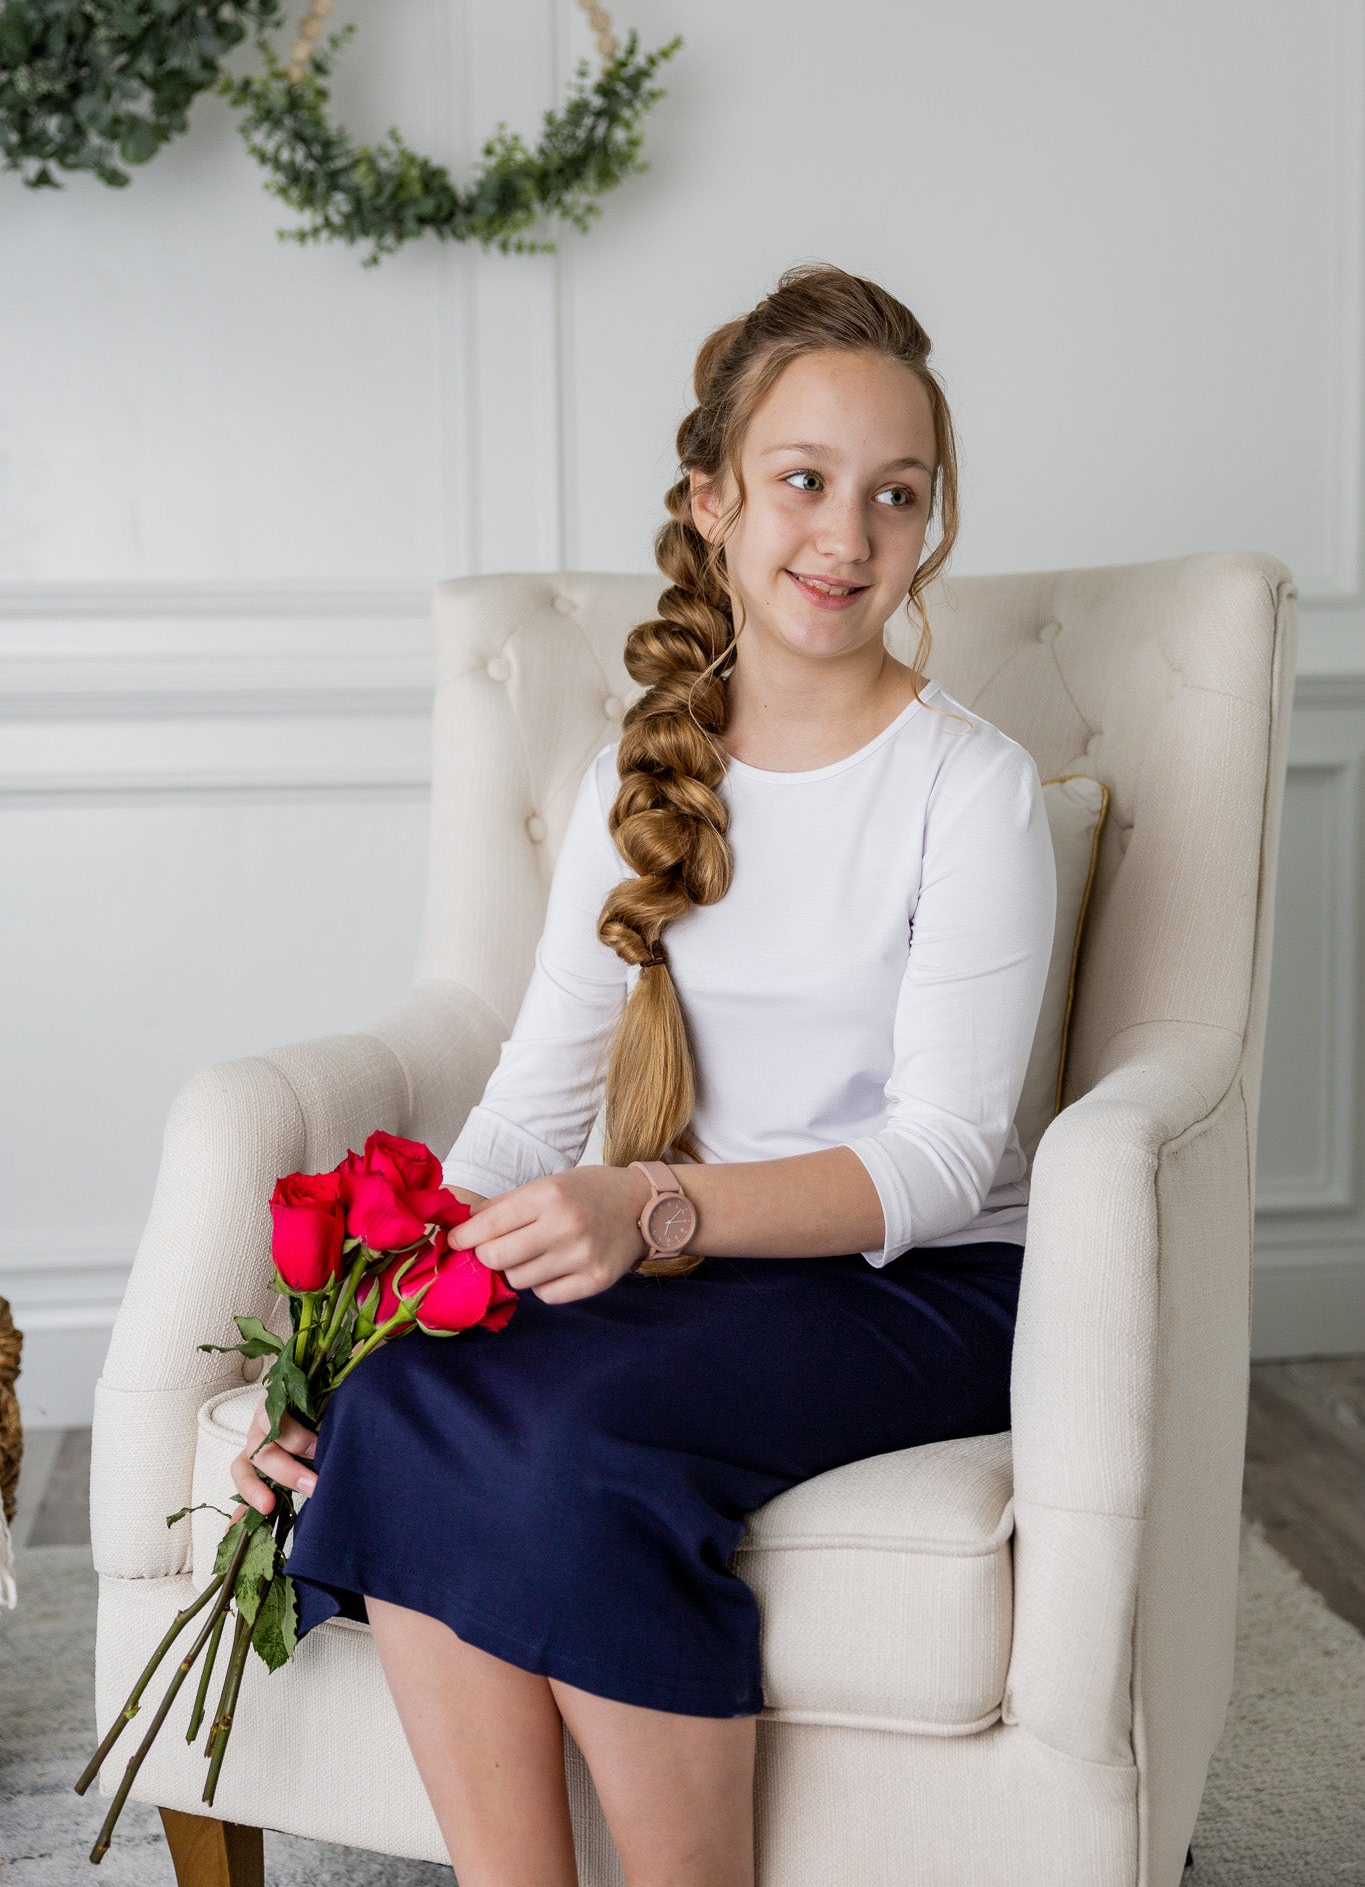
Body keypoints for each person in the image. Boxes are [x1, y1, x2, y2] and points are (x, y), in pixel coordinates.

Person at [229, 261, 1058, 1887]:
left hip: (921, 1285)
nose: (849, 535)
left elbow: (945, 1156)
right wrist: (340, 1348)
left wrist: (650, 1210)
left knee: (576, 1440)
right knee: (405, 1401)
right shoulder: (642, 764)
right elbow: (540, 1094)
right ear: (712, 499)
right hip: (693, 1260)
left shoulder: (970, 785)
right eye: (804, 482)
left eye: (897, 496)